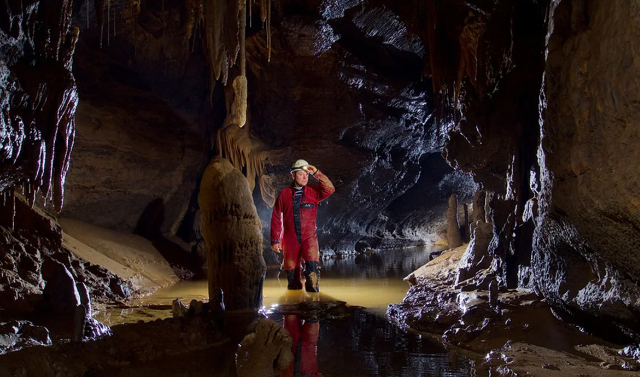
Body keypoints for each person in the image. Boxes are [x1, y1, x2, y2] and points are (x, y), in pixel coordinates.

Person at [270, 159, 335, 292]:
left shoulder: (313, 193)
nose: (305, 177)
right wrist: (276, 240)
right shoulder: (284, 194)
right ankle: (295, 307)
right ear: (293, 175)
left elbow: (330, 189)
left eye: (307, 174)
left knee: (312, 275)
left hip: (309, 239)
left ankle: (313, 304)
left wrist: (316, 173)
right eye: (301, 174)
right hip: (290, 240)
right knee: (293, 281)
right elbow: (277, 217)